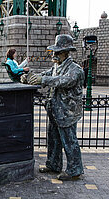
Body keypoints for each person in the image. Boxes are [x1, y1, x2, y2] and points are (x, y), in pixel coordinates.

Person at [21, 34, 84, 181]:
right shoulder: (56, 67)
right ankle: (53, 164)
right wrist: (29, 77)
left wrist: (43, 79)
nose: (54, 54)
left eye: (57, 52)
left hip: (68, 112)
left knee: (69, 141)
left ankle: (75, 170)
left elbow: (64, 81)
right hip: (55, 110)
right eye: (54, 51)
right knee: (53, 139)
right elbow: (44, 75)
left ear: (66, 52)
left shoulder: (75, 69)